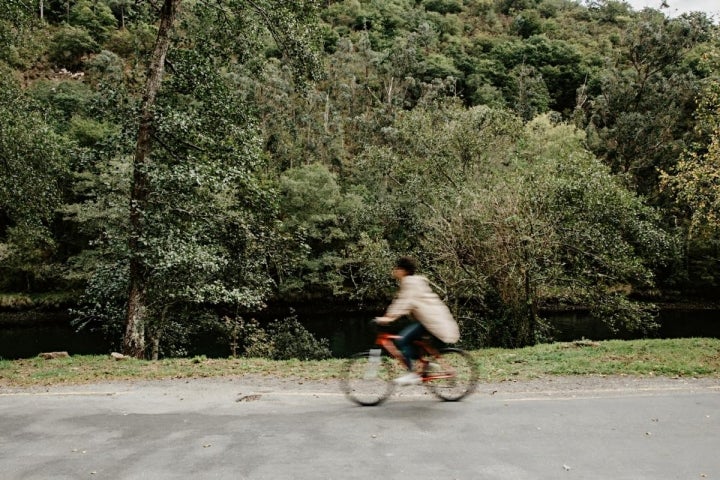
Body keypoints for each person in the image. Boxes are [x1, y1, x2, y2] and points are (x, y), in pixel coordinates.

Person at [375, 256, 460, 386]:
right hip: (431, 319)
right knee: (414, 341)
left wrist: (388, 318)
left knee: (402, 339)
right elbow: (401, 302)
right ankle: (425, 365)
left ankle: (412, 374)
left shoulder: (410, 282)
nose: (395, 271)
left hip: (430, 321)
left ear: (403, 270)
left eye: (397, 268)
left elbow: (405, 303)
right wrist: (389, 315)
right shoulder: (413, 282)